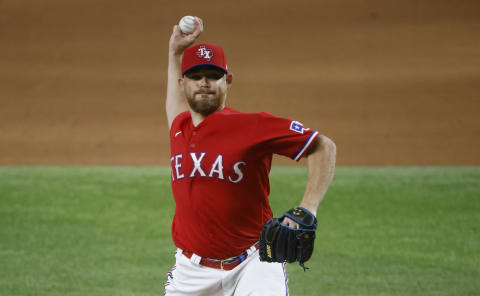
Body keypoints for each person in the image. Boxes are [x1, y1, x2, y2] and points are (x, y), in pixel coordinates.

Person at [164, 17, 336, 296]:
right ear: (183, 83)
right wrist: (174, 52)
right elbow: (173, 100)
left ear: (227, 80)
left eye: (212, 75)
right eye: (195, 77)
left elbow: (323, 147)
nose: (204, 83)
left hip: (253, 263)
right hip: (190, 271)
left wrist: (308, 208)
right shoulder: (180, 127)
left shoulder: (253, 125)